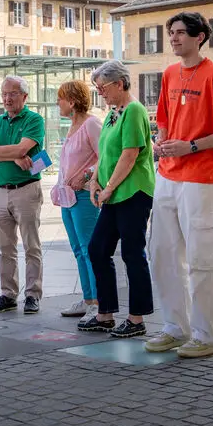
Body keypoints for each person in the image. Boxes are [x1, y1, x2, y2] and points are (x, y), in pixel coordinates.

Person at [145, 12, 213, 359]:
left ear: (199, 37)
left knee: (202, 258)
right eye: (171, 33)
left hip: (200, 178)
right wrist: (161, 140)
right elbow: (163, 119)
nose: (173, 38)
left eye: (180, 33)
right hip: (167, 175)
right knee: (162, 254)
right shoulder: (170, 73)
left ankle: (207, 335)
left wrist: (191, 146)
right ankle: (176, 327)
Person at [78, 61, 155, 339]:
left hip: (133, 192)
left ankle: (137, 319)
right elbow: (105, 152)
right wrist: (95, 181)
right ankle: (106, 313)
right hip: (114, 192)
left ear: (120, 84)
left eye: (103, 88)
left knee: (132, 253)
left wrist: (109, 187)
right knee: (98, 249)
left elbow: (129, 154)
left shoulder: (133, 110)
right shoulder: (113, 113)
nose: (100, 93)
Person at [0, 75, 45, 314]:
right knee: (5, 247)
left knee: (31, 246)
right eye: (4, 94)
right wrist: (15, 156)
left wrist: (8, 152)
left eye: (13, 93)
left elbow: (21, 148)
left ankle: (32, 294)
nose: (7, 98)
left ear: (24, 96)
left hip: (26, 189)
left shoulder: (34, 119)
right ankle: (8, 294)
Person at [51, 80, 102, 324]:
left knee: (89, 249)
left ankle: (99, 303)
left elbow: (106, 156)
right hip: (68, 197)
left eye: (60, 98)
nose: (57, 103)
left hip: (83, 195)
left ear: (72, 101)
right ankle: (88, 299)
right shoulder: (72, 126)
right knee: (78, 250)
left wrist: (87, 175)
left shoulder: (91, 124)